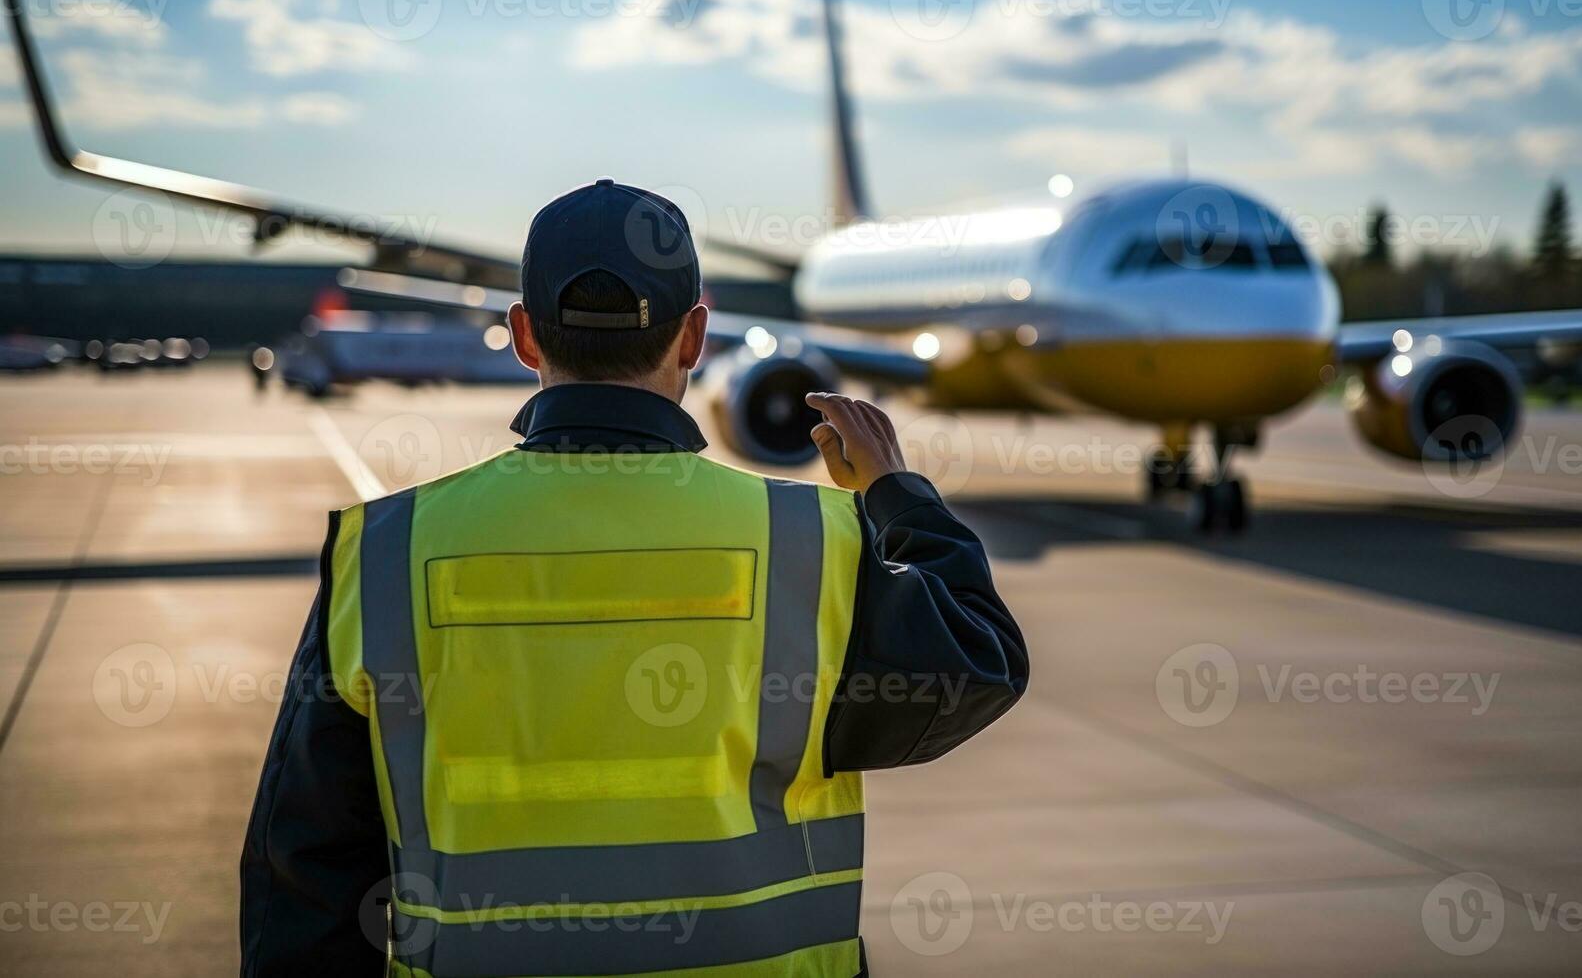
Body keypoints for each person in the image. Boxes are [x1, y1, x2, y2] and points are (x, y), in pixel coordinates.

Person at [239, 180, 1028, 976]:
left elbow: (304, 868)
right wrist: (894, 492)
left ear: (522, 336)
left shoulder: (385, 552)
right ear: (693, 338)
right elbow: (981, 659)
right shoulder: (812, 544)